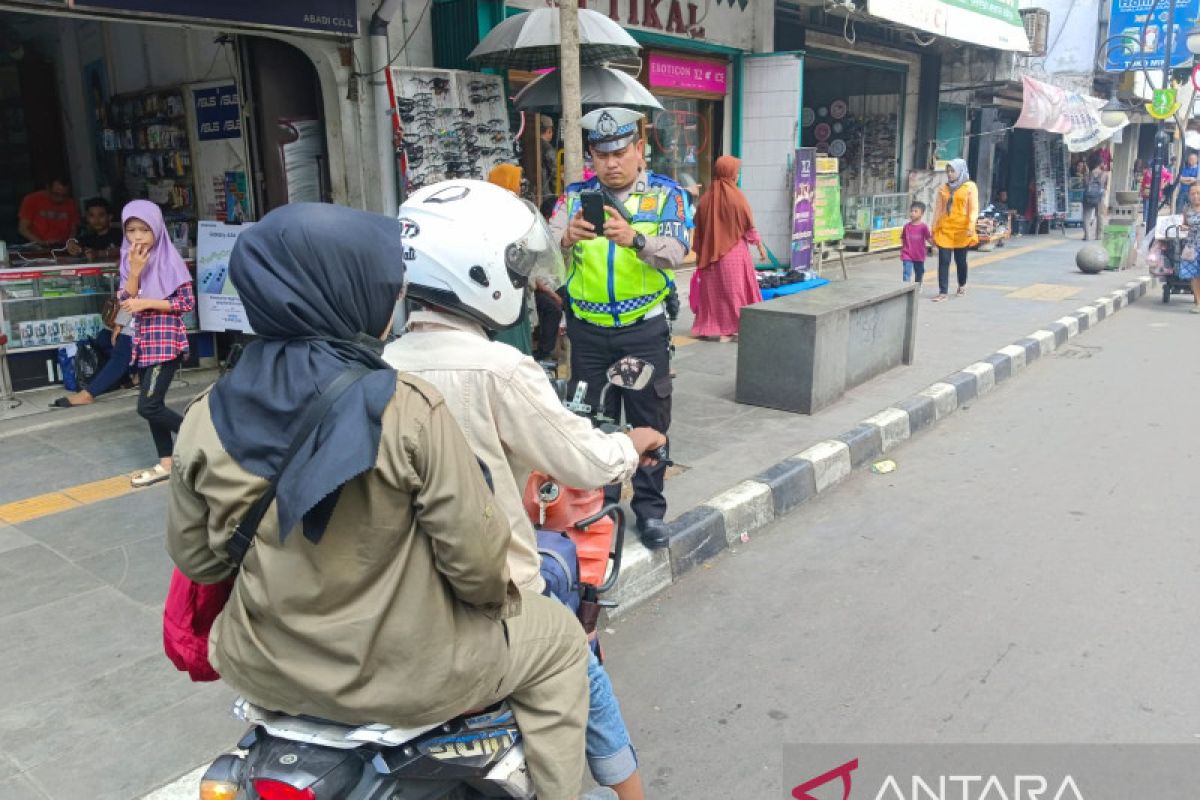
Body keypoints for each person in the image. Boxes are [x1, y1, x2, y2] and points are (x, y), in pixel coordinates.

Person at [166, 203, 594, 799]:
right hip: (409, 681)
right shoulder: (408, 408)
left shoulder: (202, 417)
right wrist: (499, 602)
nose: (394, 299)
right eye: (381, 284)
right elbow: (476, 565)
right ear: (343, 291)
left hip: (262, 666)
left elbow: (200, 563)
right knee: (560, 641)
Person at [385, 180, 666, 799]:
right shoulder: (499, 368)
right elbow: (583, 458)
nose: (519, 276)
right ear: (476, 267)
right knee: (578, 662)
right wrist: (635, 443)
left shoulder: (380, 362)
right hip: (492, 594)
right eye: (514, 263)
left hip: (400, 595)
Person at [548, 107, 690, 549]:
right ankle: (599, 507)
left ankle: (649, 511)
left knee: (647, 420)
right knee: (594, 422)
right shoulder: (572, 198)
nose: (611, 163)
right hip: (587, 333)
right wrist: (564, 240)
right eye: (600, 154)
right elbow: (540, 257)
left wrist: (637, 239)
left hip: (640, 333)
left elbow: (678, 251)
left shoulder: (667, 196)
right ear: (591, 155)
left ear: (639, 149)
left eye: (620, 152)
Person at [117, 200, 196, 488]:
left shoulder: (170, 259)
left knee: (148, 406)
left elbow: (186, 302)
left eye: (144, 229)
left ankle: (203, 438)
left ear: (157, 229)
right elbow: (125, 302)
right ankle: (166, 462)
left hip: (166, 343)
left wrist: (148, 302)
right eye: (131, 230)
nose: (137, 237)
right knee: (155, 405)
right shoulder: (127, 260)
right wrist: (136, 271)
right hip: (144, 343)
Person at [689, 155, 764, 342]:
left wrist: (700, 251)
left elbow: (698, 228)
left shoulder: (706, 198)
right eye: (736, 173)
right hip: (734, 254)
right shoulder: (736, 197)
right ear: (729, 173)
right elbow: (747, 225)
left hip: (710, 257)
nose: (737, 176)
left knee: (713, 294)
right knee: (735, 292)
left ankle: (710, 327)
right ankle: (731, 329)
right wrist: (759, 246)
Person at [49, 296, 134, 407]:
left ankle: (89, 393)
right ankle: (136, 378)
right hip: (130, 315)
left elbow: (132, 292)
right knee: (108, 344)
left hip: (141, 315)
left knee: (120, 356)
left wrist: (120, 324)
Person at [488, 164, 536, 356]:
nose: (519, 188)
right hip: (501, 290)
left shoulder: (515, 210)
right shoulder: (496, 214)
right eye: (516, 183)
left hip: (512, 288)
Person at [930, 158, 978, 303]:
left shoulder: (970, 187)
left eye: (952, 171)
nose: (950, 174)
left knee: (960, 261)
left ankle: (962, 284)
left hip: (962, 230)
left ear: (960, 171)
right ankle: (942, 292)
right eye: (948, 171)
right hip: (945, 229)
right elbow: (938, 210)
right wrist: (933, 229)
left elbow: (974, 209)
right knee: (943, 260)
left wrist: (971, 226)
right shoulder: (943, 188)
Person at [18, 177, 80, 245]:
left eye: (64, 195)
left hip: (63, 246)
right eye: (56, 194)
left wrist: (70, 243)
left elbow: (73, 230)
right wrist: (42, 243)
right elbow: (23, 229)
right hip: (37, 245)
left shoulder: (71, 203)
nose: (60, 199)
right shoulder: (32, 199)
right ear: (48, 189)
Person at [1176, 184, 1200, 314]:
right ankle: (1198, 302)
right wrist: (1183, 227)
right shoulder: (1187, 210)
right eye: (1193, 194)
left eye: (1198, 193)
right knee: (1194, 275)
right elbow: (1184, 224)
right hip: (1192, 246)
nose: (1196, 196)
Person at [900, 201, 932, 286]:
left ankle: (918, 286)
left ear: (921, 214)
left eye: (915, 211)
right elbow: (903, 238)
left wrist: (935, 244)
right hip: (907, 254)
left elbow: (928, 238)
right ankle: (905, 288)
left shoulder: (923, 227)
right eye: (911, 211)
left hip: (919, 255)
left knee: (919, 273)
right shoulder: (906, 226)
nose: (912, 213)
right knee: (906, 272)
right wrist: (903, 250)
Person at [1081, 153, 1108, 242]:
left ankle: (1087, 236)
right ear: (1099, 163)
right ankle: (1099, 236)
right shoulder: (1104, 174)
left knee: (1086, 216)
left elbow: (1084, 185)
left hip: (1088, 197)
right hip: (1099, 197)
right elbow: (1104, 186)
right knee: (1100, 216)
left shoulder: (1087, 174)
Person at [542, 118, 559, 198]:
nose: (552, 134)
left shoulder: (533, 144)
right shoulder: (548, 148)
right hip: (547, 191)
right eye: (551, 131)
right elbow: (555, 172)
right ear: (548, 131)